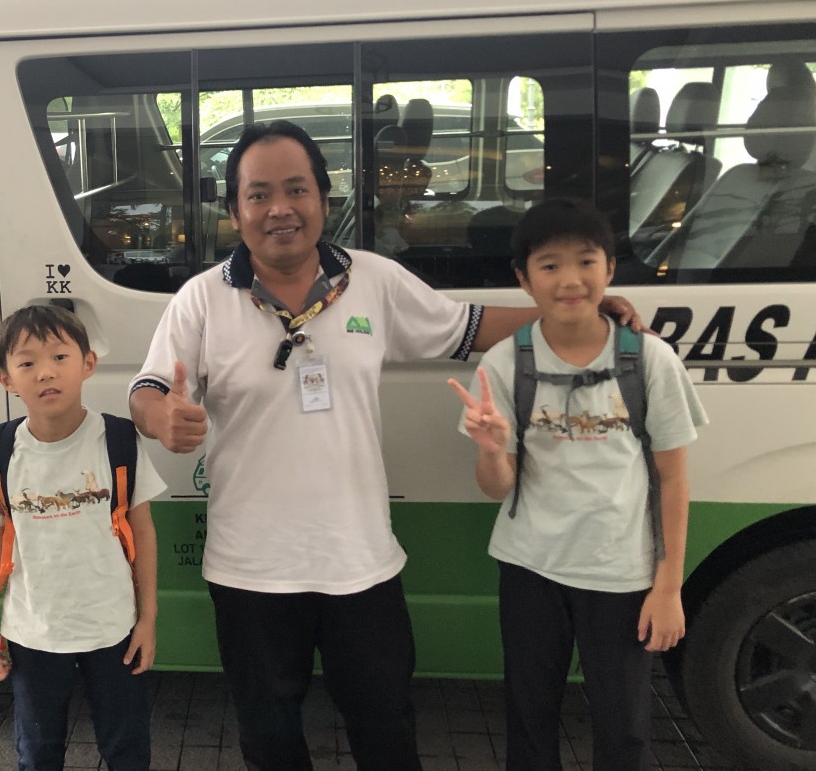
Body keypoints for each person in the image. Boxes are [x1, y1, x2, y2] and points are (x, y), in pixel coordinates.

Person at [128, 121, 643, 771]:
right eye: (259, 195)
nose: (280, 208)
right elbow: (146, 389)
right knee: (269, 739)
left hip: (362, 565)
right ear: (234, 210)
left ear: (323, 196)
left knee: (388, 732)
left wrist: (575, 315)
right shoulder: (201, 299)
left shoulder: (370, 279)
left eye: (297, 189)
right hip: (249, 570)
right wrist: (160, 417)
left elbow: (466, 328)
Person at [448, 198, 706, 771]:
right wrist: (491, 449)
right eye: (549, 265)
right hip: (529, 568)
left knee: (625, 728)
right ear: (523, 279)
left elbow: (673, 477)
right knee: (529, 718)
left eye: (586, 261)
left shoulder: (650, 361)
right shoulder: (503, 364)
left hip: (621, 574)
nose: (570, 280)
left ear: (610, 269)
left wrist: (668, 587)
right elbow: (498, 487)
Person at [0, 304, 166, 771]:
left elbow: (143, 531)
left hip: (113, 626)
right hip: (32, 631)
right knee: (38, 751)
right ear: (6, 379)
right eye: (27, 362)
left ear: (87, 364)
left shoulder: (117, 439)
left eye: (59, 356)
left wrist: (148, 618)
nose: (45, 373)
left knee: (127, 746)